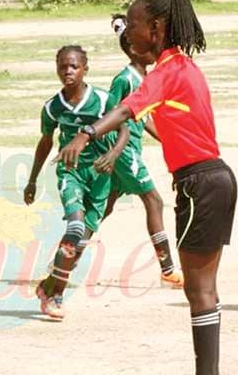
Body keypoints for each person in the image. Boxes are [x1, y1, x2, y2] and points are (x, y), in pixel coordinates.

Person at [54, 0, 237, 374]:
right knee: (203, 289)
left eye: (134, 25)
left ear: (155, 29)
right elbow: (155, 119)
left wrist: (85, 134)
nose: (128, 32)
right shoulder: (183, 67)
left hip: (198, 182)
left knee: (199, 291)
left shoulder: (167, 72)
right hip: (215, 178)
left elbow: (125, 110)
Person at [24, 45, 130, 320]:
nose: (68, 71)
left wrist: (113, 154)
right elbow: (46, 142)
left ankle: (48, 288)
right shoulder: (52, 108)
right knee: (75, 228)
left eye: (74, 66)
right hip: (70, 173)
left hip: (100, 176)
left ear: (85, 69)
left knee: (80, 242)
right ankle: (56, 297)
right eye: (62, 66)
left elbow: (124, 128)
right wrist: (32, 179)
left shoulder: (103, 99)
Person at [103, 14, 183, 288]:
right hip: (123, 153)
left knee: (103, 205)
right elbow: (111, 117)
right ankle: (168, 269)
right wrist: (114, 155)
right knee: (155, 201)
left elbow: (144, 116)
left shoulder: (144, 77)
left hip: (127, 151)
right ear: (134, 48)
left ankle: (65, 253)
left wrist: (170, 140)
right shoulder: (124, 79)